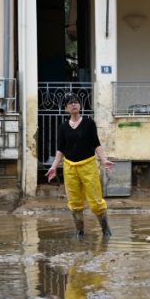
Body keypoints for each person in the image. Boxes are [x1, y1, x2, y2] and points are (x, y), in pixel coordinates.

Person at [46, 94, 115, 237]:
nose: (74, 105)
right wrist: (53, 166)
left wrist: (104, 160)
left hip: (88, 165)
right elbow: (60, 149)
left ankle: (106, 230)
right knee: (75, 202)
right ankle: (79, 231)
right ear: (66, 108)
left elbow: (96, 143)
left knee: (96, 201)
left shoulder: (89, 123)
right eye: (70, 103)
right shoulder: (63, 127)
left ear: (80, 106)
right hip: (70, 167)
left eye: (76, 102)